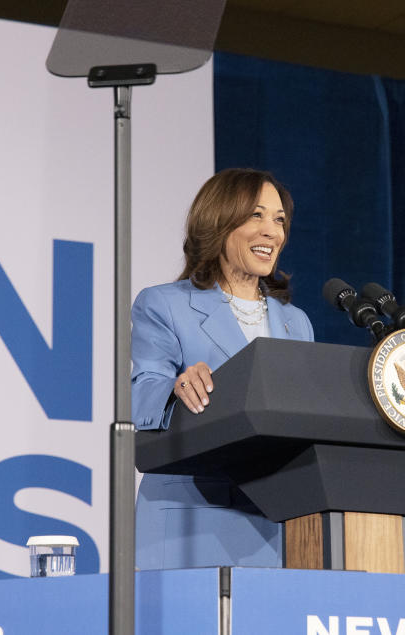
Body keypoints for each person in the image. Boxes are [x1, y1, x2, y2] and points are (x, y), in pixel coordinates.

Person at [131, 168, 314, 569]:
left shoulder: (295, 321)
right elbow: (141, 393)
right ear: (219, 221)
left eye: (279, 220)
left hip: (271, 522)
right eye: (256, 215)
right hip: (188, 517)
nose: (272, 231)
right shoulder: (163, 304)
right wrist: (175, 387)